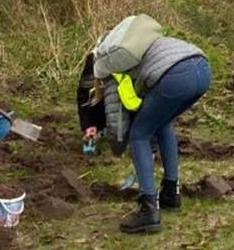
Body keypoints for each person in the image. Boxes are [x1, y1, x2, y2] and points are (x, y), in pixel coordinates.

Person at [84, 19, 211, 234]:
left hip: (176, 75)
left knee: (139, 134)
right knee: (162, 124)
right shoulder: (142, 42)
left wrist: (117, 143)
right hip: (202, 68)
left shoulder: (110, 62)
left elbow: (115, 113)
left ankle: (149, 210)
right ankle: (171, 192)